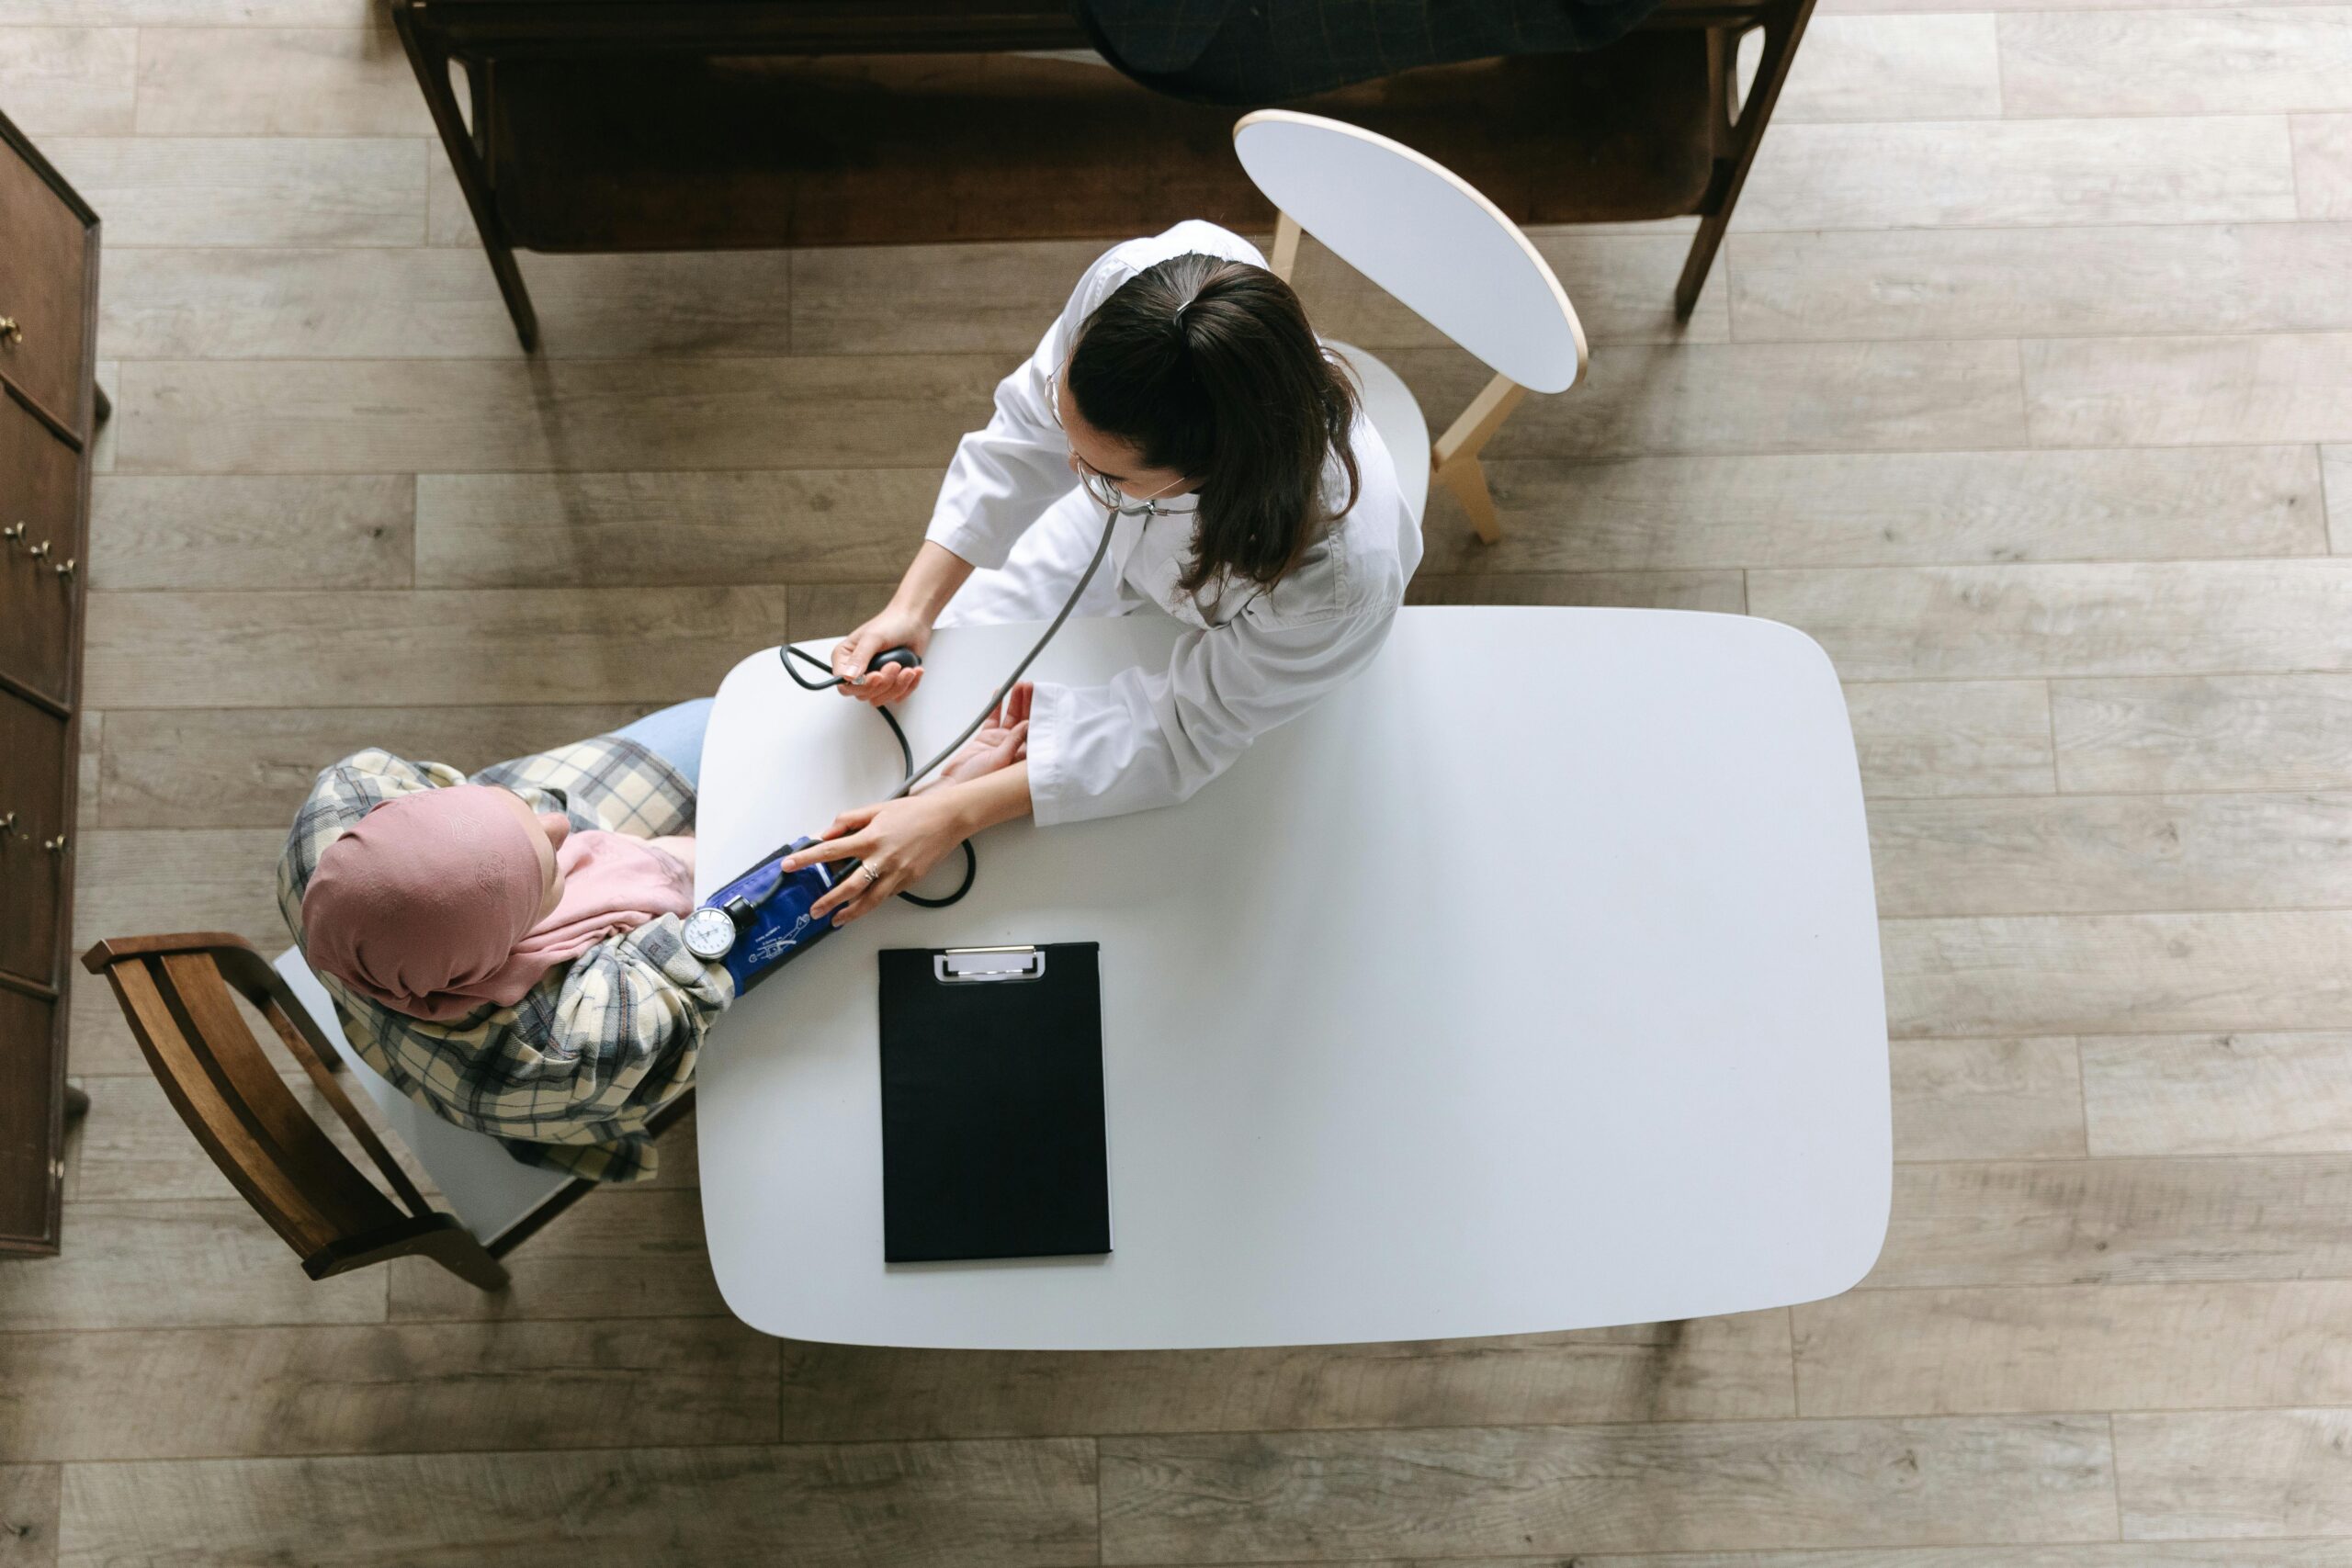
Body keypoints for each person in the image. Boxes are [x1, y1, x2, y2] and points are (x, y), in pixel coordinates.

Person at [782, 219, 1420, 925]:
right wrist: (914, 606)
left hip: (1251, 648)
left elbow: (1186, 727)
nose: (1067, 468)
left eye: (1102, 469)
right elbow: (1026, 431)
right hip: (1121, 530)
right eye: (1075, 439)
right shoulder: (1147, 288)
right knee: (955, 671)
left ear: (1206, 475)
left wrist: (949, 815)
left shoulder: (1332, 584)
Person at [275, 699, 727, 1182]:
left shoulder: (333, 818)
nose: (562, 824)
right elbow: (693, 980)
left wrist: (505, 836)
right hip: (553, 1084)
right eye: (552, 869)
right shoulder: (556, 1048)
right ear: (498, 954)